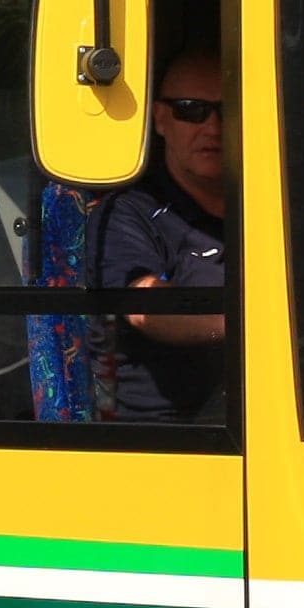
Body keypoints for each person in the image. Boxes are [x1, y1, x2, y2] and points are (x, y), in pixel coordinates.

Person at [91, 50, 231, 425]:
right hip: (169, 436)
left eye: (228, 109)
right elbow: (144, 307)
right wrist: (247, 324)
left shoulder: (269, 209)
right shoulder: (130, 211)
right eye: (191, 109)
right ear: (161, 119)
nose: (213, 127)